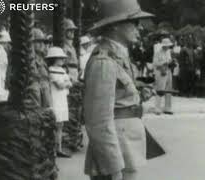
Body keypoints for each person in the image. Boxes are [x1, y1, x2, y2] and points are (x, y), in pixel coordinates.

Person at [83, 0, 156, 179]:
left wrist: (137, 95)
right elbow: (98, 121)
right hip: (116, 155)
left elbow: (117, 98)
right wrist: (113, 167)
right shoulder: (103, 62)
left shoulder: (118, 56)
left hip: (126, 149)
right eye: (134, 22)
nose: (139, 28)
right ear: (116, 25)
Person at [46, 47, 72, 158]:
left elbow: (69, 83)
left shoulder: (62, 70)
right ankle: (52, 150)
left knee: (60, 125)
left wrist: (66, 83)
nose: (62, 60)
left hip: (62, 98)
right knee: (55, 124)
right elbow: (61, 85)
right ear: (54, 59)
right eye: (60, 58)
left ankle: (59, 148)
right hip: (55, 99)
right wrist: (66, 82)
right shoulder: (51, 70)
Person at [153, 38, 174, 115]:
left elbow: (170, 60)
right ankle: (157, 108)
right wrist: (164, 62)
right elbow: (155, 63)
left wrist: (171, 62)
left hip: (168, 71)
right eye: (167, 45)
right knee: (160, 90)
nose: (168, 47)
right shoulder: (157, 53)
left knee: (168, 89)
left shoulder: (168, 52)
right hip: (160, 72)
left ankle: (167, 107)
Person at [62, 18, 79, 83]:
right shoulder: (64, 47)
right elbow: (63, 64)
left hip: (74, 73)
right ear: (64, 31)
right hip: (69, 74)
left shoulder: (71, 47)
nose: (72, 32)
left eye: (73, 30)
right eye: (70, 30)